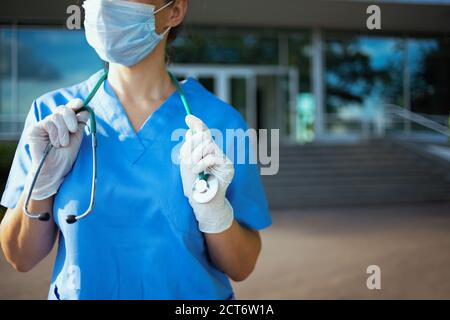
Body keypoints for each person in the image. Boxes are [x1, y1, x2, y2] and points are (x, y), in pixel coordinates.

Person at [0, 0, 271, 300]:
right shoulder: (51, 117)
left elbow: (242, 265)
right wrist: (40, 188)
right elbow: (19, 257)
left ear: (175, 10)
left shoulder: (222, 122)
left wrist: (215, 213)